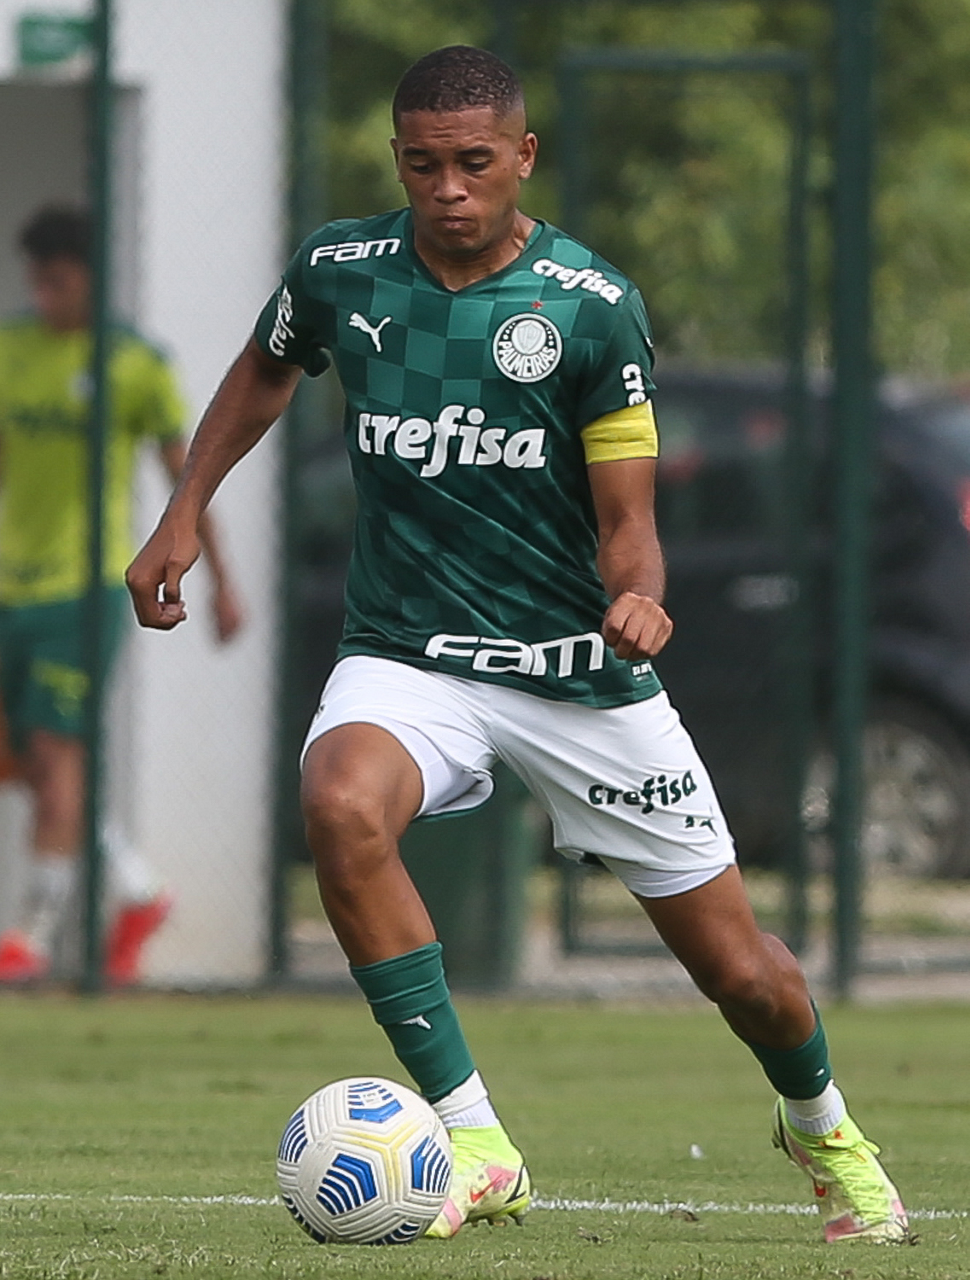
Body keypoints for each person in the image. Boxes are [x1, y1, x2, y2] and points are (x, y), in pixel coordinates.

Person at [126, 47, 908, 1243]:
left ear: (523, 157)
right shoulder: (340, 270)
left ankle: (823, 1126)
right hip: (410, 651)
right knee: (339, 802)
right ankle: (476, 1138)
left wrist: (638, 595)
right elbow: (265, 368)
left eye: (474, 163)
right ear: (398, 159)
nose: (448, 188)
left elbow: (628, 520)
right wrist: (186, 506)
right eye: (423, 164)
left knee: (744, 973)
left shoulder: (587, 306)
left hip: (576, 675)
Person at [0, 205, 243, 986]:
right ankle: (140, 892)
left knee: (55, 753)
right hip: (10, 585)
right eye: (37, 280)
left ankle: (31, 936)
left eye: (59, 280)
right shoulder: (11, 350)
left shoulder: (134, 363)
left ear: (92, 277)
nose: (45, 295)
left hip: (86, 589)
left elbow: (187, 476)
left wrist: (222, 580)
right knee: (27, 761)